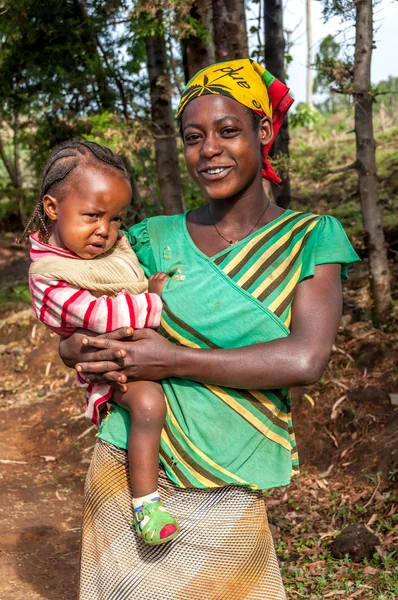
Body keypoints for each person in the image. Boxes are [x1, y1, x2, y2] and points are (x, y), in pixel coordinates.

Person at [60, 59, 360, 600]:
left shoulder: (312, 238)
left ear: (263, 132)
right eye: (194, 137)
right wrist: (79, 347)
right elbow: (81, 322)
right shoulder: (151, 238)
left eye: (228, 131)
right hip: (130, 472)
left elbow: (304, 360)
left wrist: (170, 358)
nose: (210, 150)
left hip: (230, 478)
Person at [18, 140, 180, 545]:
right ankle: (146, 504)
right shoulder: (48, 273)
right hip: (107, 369)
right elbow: (99, 317)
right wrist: (155, 302)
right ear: (53, 208)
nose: (105, 231)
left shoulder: (104, 250)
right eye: (91, 215)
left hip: (130, 350)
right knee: (147, 403)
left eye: (116, 219)